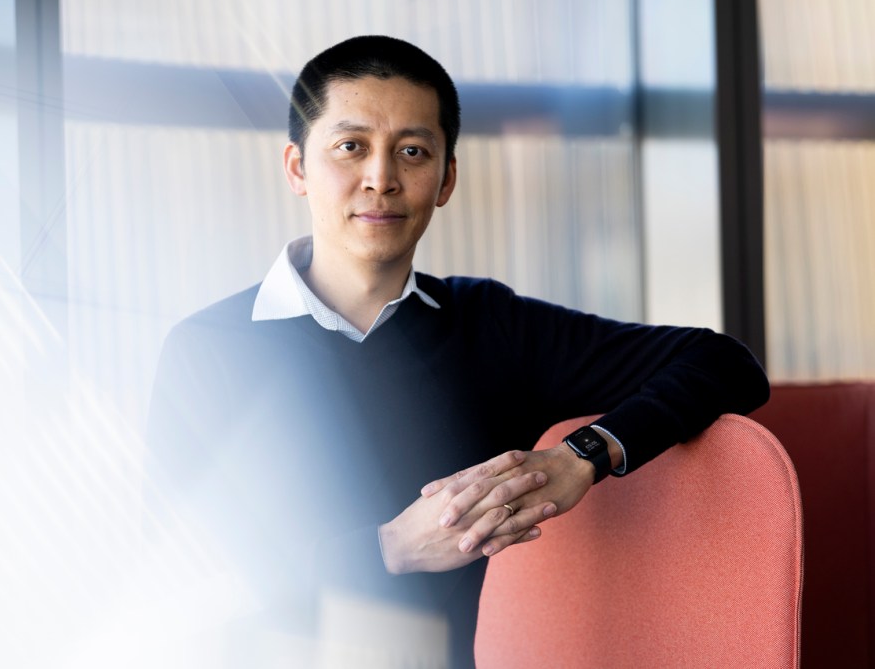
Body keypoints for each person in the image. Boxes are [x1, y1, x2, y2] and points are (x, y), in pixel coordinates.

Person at [146, 35, 769, 668]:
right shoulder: (207, 350)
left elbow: (725, 363)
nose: (382, 178)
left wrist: (585, 455)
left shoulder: (490, 327)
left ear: (445, 179)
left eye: (412, 151)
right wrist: (389, 549)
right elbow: (175, 585)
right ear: (298, 168)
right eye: (350, 146)